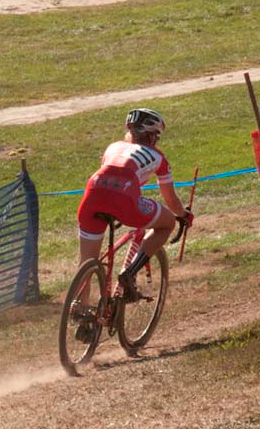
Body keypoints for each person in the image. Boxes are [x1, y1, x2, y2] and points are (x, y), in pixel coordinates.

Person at [75, 109, 192, 302]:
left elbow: (108, 177)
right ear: (152, 135)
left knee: (86, 262)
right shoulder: (157, 156)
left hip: (92, 193)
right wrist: (185, 215)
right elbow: (171, 200)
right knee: (167, 223)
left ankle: (79, 310)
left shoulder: (112, 147)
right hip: (125, 199)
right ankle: (130, 273)